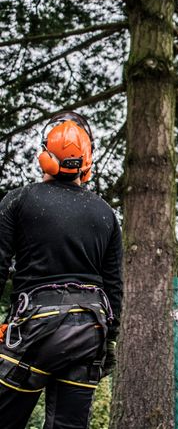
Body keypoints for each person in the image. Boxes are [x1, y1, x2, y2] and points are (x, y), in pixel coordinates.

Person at [0, 111, 123, 429]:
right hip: (89, 336)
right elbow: (114, 287)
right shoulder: (106, 214)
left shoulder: (19, 200)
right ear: (87, 162)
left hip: (33, 332)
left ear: (45, 157)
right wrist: (108, 343)